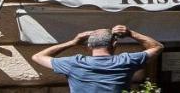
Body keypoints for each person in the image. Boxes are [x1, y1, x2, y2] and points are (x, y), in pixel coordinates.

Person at [30, 24, 163, 93]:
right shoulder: (126, 61)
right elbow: (157, 47)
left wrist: (73, 42)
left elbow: (38, 57)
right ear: (114, 44)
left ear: (89, 46)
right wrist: (131, 33)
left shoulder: (73, 63)